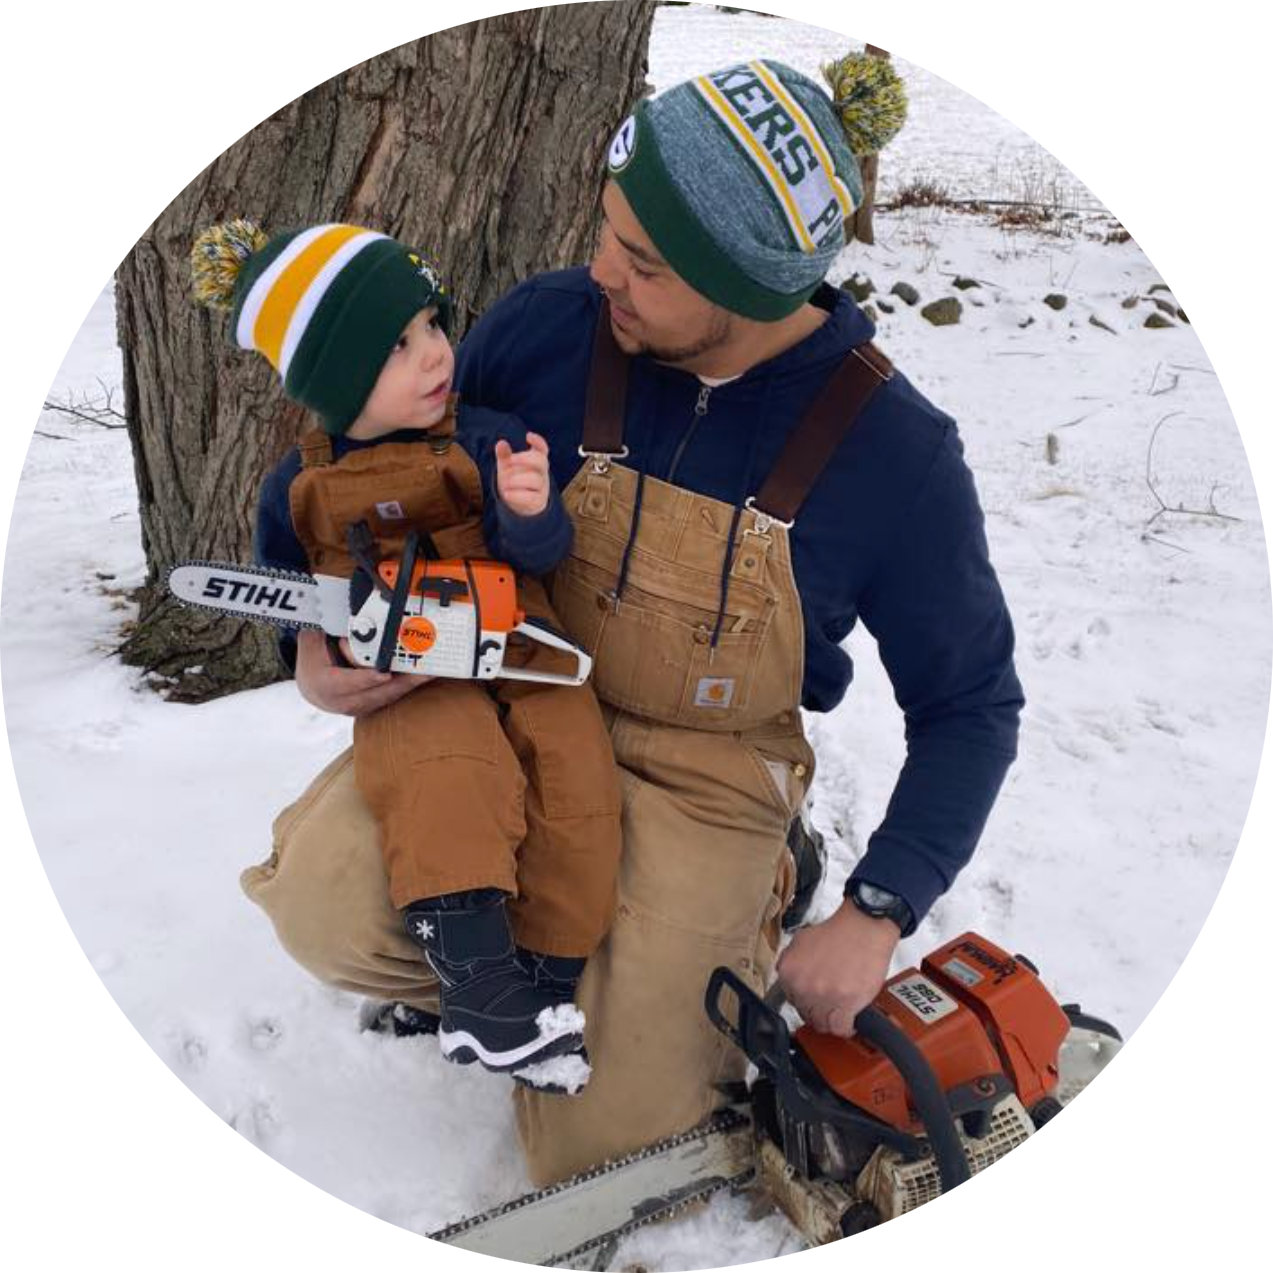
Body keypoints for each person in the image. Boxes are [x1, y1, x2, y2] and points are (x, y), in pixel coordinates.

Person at [240, 56, 1024, 1187]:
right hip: (504, 702)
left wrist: (877, 909)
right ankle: (528, 974)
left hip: (707, 772)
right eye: (608, 230)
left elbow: (970, 705)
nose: (601, 268)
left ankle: (748, 892)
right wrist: (314, 653)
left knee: (610, 1146)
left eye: (644, 262)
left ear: (751, 286)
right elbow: (388, 477)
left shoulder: (895, 454)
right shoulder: (550, 327)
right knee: (326, 907)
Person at [191, 220, 622, 1089]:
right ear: (333, 374)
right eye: (397, 344)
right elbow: (295, 599)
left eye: (432, 324)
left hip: (515, 638)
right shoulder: (295, 486)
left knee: (574, 771)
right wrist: (312, 654)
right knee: (441, 765)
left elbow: (540, 554)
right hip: (409, 669)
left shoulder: (483, 435)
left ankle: (546, 977)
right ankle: (475, 974)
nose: (434, 353)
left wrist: (530, 510)